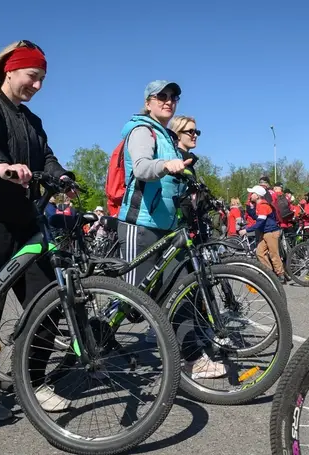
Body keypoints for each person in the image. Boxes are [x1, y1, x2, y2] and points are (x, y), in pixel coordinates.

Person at [0, 40, 76, 420]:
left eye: (42, 79)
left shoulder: (31, 120)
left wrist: (62, 176)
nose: (37, 86)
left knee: (47, 303)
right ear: (11, 70)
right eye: (32, 76)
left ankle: (32, 379)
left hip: (25, 223)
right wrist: (1, 167)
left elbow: (48, 156)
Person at [116, 80, 226, 379]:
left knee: (183, 291)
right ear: (148, 102)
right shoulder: (142, 130)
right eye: (161, 96)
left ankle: (192, 359)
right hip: (139, 224)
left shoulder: (166, 135)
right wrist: (167, 165)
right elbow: (140, 168)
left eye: (173, 97)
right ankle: (92, 342)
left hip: (168, 227)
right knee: (130, 300)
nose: (168, 101)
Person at [239, 185, 286, 283]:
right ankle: (269, 273)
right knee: (260, 252)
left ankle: (280, 274)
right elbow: (256, 217)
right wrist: (249, 207)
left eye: (252, 193)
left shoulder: (263, 205)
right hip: (265, 232)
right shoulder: (259, 205)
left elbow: (260, 221)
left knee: (274, 254)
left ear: (258, 196)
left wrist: (247, 230)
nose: (250, 195)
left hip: (271, 232)